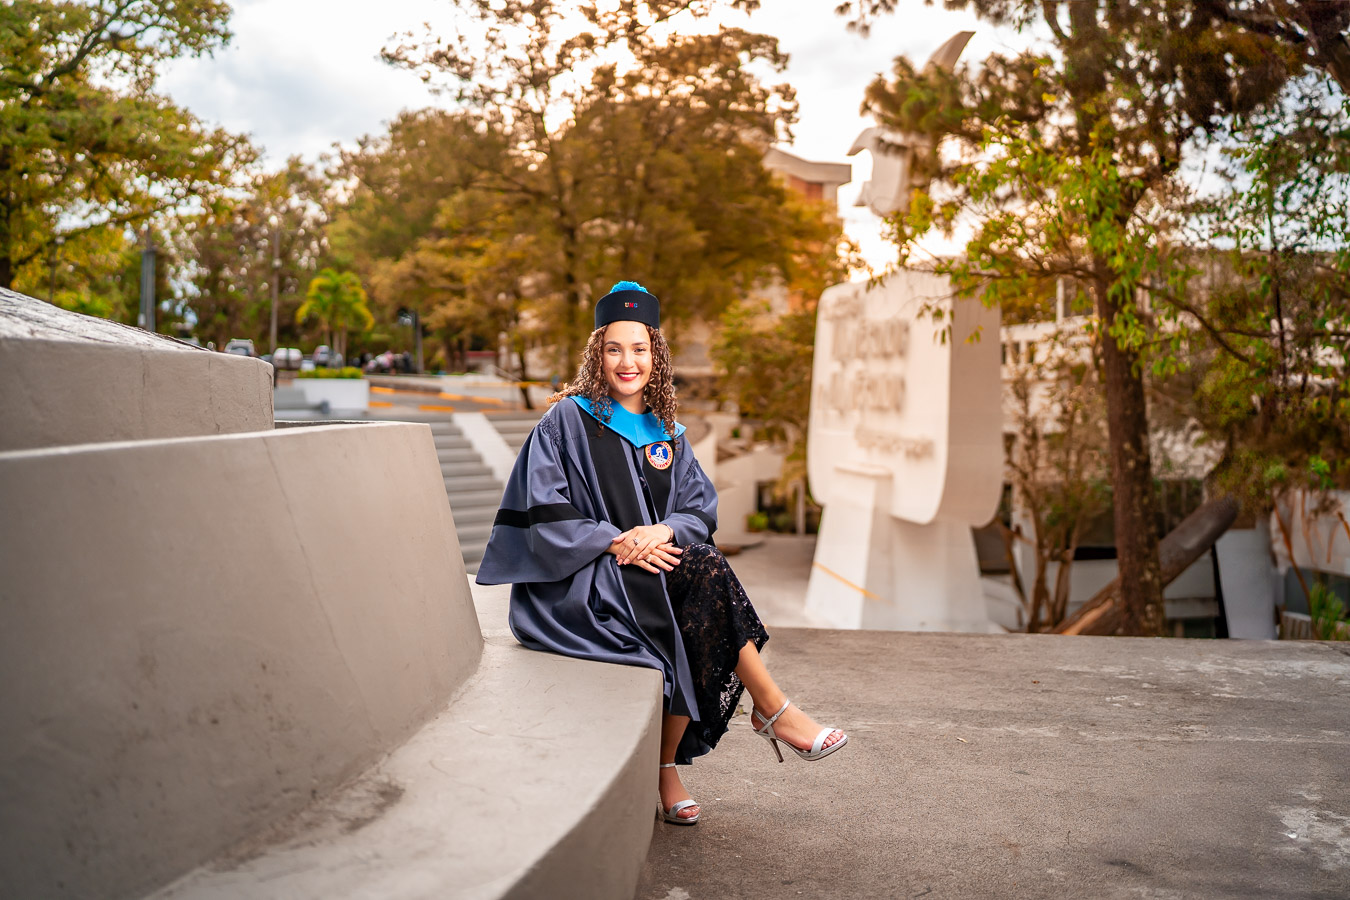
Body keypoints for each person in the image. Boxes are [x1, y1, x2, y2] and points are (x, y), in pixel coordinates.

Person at [476, 281, 847, 826]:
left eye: (640, 348)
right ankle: (765, 713)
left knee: (697, 575)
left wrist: (664, 531)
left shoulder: (670, 433)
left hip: (656, 567)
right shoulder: (566, 421)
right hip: (583, 580)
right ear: (597, 354)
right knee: (698, 582)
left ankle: (691, 754)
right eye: (614, 349)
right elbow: (541, 508)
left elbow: (699, 511)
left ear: (657, 354)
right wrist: (616, 539)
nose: (628, 362)